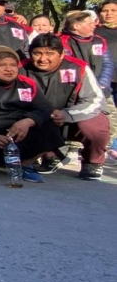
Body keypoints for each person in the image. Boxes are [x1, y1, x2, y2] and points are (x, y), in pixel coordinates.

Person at [0, 46, 64, 182]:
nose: (9, 69)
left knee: (50, 124)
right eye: (2, 65)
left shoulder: (27, 83)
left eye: (13, 65)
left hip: (16, 131)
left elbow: (45, 107)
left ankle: (25, 165)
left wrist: (28, 121)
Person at [24, 34, 109, 180]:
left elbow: (95, 100)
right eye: (37, 53)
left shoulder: (78, 68)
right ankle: (47, 154)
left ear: (62, 54)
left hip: (71, 117)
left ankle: (93, 162)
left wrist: (67, 114)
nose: (43, 59)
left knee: (95, 123)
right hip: (35, 117)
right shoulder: (20, 68)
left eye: (50, 53)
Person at [60, 10, 114, 96]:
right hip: (74, 91)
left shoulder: (99, 40)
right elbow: (66, 67)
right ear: (76, 26)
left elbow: (107, 63)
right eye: (89, 24)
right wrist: (83, 89)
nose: (94, 26)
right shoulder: (62, 41)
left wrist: (103, 83)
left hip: (100, 89)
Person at [96, 0, 117, 163]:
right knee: (107, 114)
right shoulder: (94, 31)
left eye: (113, 10)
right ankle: (107, 148)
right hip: (103, 80)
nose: (109, 13)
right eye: (105, 10)